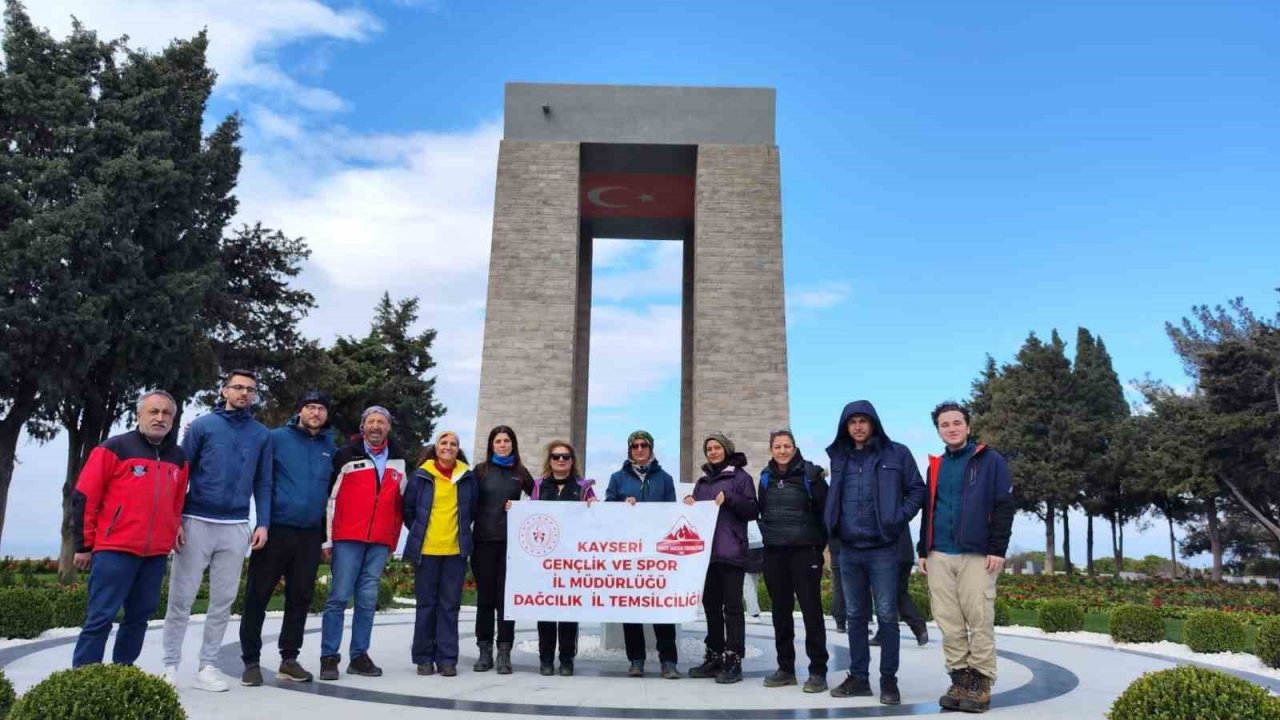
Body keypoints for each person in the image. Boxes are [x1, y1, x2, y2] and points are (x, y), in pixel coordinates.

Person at [163, 370, 273, 691]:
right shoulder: (202, 426)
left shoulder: (261, 435)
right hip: (196, 520)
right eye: (237, 387)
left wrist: (262, 522)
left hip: (236, 526)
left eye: (250, 390)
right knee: (180, 598)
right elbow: (180, 474)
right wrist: (174, 521)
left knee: (223, 601)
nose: (243, 393)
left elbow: (263, 481)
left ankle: (207, 666)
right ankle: (170, 666)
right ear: (225, 390)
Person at [70, 390, 188, 668]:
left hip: (155, 555)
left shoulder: (179, 458)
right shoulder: (113, 448)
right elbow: (85, 498)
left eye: (166, 413)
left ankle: (123, 672)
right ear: (139, 415)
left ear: (173, 418)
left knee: (139, 619)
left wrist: (174, 527)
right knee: (100, 617)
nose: (160, 418)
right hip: (114, 551)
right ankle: (84, 677)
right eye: (153, 412)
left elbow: (177, 501)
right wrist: (83, 546)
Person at [824, 400, 925, 706]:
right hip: (849, 548)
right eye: (851, 422)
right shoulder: (839, 457)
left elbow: (917, 489)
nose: (857, 427)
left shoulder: (898, 453)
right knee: (855, 617)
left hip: (884, 548)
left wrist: (898, 516)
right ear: (845, 426)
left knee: (886, 617)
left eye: (863, 421)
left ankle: (888, 681)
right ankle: (859, 678)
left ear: (873, 423)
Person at [918, 401, 1014, 714]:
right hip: (939, 554)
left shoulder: (990, 460)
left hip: (977, 554)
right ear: (938, 430)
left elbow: (1003, 504)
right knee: (949, 621)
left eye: (957, 422)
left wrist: (998, 548)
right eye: (945, 425)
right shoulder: (935, 465)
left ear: (968, 426)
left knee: (979, 618)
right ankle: (959, 678)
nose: (951, 428)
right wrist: (923, 550)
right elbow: (928, 509)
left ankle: (981, 682)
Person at [239, 390, 337, 686]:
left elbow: (331, 494)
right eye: (310, 407)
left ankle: (289, 659)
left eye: (321, 408)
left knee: (301, 597)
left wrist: (324, 537)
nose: (316, 413)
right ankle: (251, 662)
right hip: (276, 529)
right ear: (300, 411)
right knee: (258, 594)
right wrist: (262, 524)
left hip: (309, 535)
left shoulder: (329, 446)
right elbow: (263, 481)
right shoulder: (276, 438)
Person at [319, 406, 408, 681]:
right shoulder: (345, 456)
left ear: (388, 428)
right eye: (371, 421)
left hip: (379, 542)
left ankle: (359, 656)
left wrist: (393, 540)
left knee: (368, 601)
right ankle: (329, 657)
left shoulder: (400, 461)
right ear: (363, 427)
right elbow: (329, 499)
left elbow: (401, 504)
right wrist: (327, 539)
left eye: (381, 422)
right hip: (348, 538)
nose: (376, 426)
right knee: (338, 597)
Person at [756, 429, 830, 693]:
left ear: (795, 447)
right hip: (775, 552)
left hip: (804, 552)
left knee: (812, 612)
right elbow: (762, 510)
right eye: (777, 446)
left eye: (787, 446)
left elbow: (826, 513)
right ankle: (785, 668)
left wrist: (817, 545)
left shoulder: (811, 475)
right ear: (771, 449)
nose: (783, 451)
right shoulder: (764, 478)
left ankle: (818, 671)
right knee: (780, 613)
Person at [683, 432, 758, 685]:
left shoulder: (741, 478)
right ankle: (714, 654)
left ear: (726, 449)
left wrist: (732, 499)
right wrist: (689, 503)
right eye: (709, 449)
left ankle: (733, 657)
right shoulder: (702, 483)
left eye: (716, 447)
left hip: (730, 551)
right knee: (711, 608)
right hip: (706, 555)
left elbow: (752, 510)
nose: (713, 452)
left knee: (733, 608)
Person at [605, 430, 680, 680]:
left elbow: (672, 513)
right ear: (629, 450)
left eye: (644, 445)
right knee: (632, 610)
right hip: (629, 553)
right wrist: (620, 506)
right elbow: (607, 510)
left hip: (657, 554)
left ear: (651, 448)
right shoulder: (617, 478)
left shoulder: (665, 479)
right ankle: (635, 660)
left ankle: (668, 661)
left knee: (662, 609)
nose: (639, 449)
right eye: (635, 445)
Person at [403, 431, 478, 677]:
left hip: (455, 551)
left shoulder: (467, 477)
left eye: (453, 444)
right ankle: (423, 657)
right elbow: (409, 510)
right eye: (444, 443)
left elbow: (472, 510)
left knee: (449, 606)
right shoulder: (421, 475)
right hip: (427, 551)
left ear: (458, 449)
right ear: (435, 448)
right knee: (426, 605)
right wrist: (421, 533)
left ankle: (447, 659)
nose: (448, 447)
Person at [469, 425, 534, 674]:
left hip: (511, 546)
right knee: (485, 599)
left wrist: (520, 507)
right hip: (483, 542)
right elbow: (468, 503)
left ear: (513, 444)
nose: (503, 444)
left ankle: (504, 652)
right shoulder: (481, 471)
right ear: (491, 445)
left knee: (506, 601)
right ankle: (484, 651)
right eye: (498, 441)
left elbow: (539, 499)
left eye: (507, 440)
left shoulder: (520, 472)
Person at [531, 439, 597, 676]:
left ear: (572, 461)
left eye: (565, 457)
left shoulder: (583, 487)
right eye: (556, 456)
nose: (561, 460)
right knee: (545, 609)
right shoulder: (537, 486)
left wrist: (595, 507)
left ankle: (567, 658)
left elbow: (595, 520)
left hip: (572, 559)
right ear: (549, 460)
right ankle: (546, 658)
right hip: (545, 559)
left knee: (569, 610)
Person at [869, 527, 930, 649]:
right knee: (899, 593)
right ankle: (918, 627)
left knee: (886, 594)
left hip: (891, 553)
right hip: (905, 553)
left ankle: (888, 632)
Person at [743, 521, 764, 620]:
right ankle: (754, 611)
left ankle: (753, 613)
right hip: (759, 547)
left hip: (748, 548)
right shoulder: (753, 514)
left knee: (747, 583)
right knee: (753, 582)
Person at [828, 539, 846, 633]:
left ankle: (840, 623)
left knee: (838, 587)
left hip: (835, 549)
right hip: (850, 548)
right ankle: (853, 623)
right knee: (856, 587)